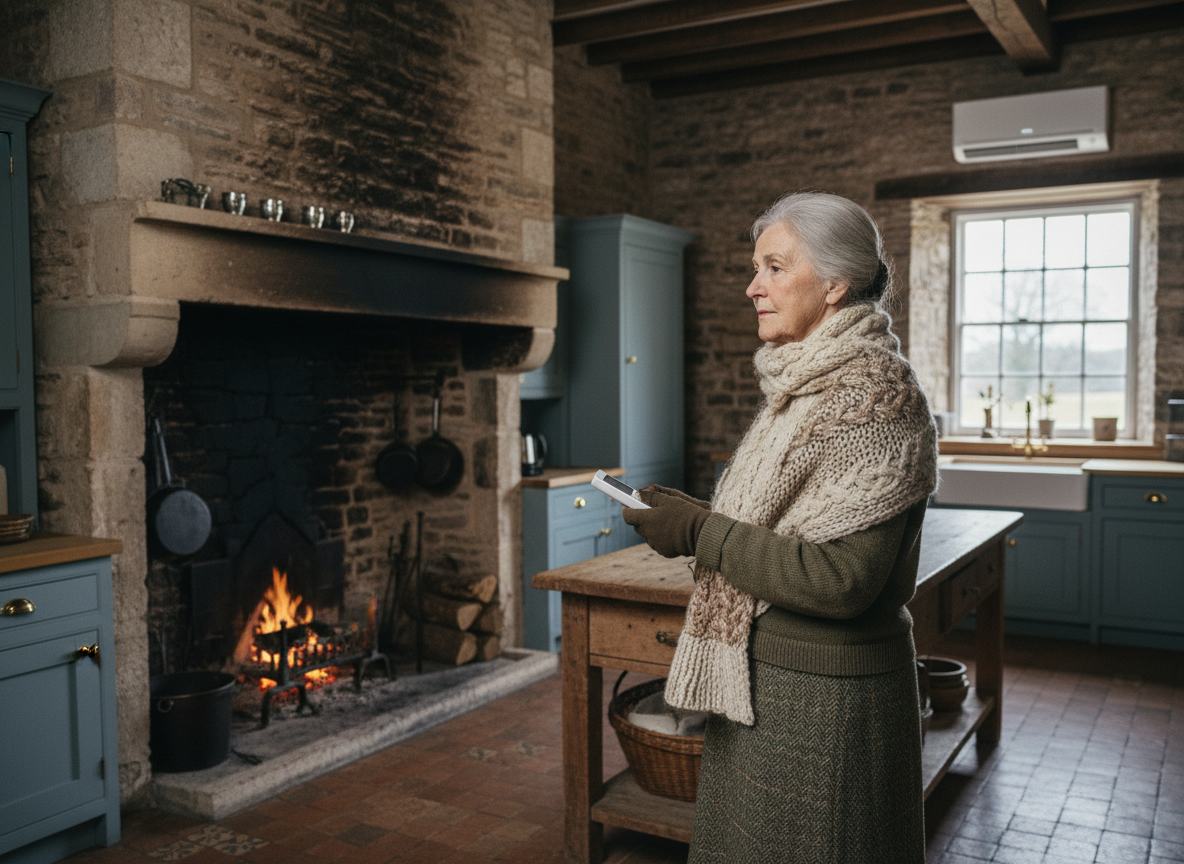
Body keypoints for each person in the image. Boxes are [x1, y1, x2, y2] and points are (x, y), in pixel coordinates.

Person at [622, 191, 938, 864]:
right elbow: (782, 529)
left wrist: (700, 534)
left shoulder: (878, 402)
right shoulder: (803, 389)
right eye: (756, 268)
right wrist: (696, 517)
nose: (751, 286)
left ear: (833, 284)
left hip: (828, 707)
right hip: (761, 686)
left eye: (772, 267)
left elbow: (843, 580)